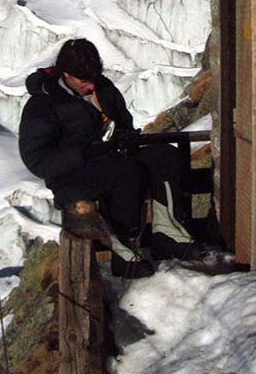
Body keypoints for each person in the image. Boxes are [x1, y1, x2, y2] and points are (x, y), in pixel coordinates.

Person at [18, 38, 199, 278]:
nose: (91, 86)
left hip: (114, 158)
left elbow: (123, 123)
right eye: (84, 81)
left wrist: (126, 137)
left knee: (165, 156)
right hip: (71, 176)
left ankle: (167, 234)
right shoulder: (43, 105)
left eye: (94, 78)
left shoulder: (104, 89)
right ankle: (123, 251)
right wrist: (85, 152)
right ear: (66, 74)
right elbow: (37, 161)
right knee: (124, 172)